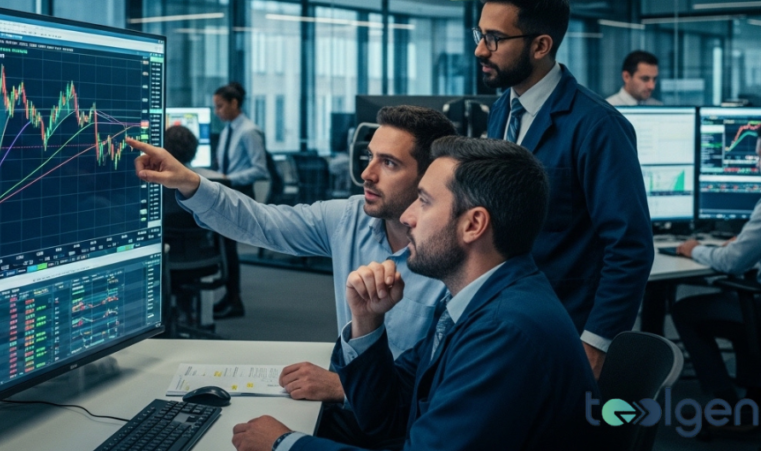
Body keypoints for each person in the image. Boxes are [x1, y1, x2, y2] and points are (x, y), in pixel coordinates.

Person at [229, 137, 598, 451]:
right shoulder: (473, 302)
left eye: (423, 201)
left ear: (473, 225)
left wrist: (286, 445)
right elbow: (387, 416)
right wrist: (368, 322)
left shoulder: (504, 331)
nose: (406, 217)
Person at [128, 105, 456, 404]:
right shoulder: (348, 218)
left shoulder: (455, 256)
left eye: (389, 163)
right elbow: (261, 222)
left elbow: (445, 383)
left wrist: (344, 386)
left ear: (429, 177)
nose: (367, 174)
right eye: (368, 157)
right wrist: (189, 182)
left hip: (402, 425)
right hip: (354, 406)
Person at [478, 0, 653, 378]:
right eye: (480, 34)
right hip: (505, 319)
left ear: (541, 45)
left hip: (563, 328)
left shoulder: (598, 126)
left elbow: (630, 246)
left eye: (494, 38)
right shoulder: (504, 110)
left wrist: (596, 341)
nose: (480, 49)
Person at [672, 119, 761, 406]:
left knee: (686, 311)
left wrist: (695, 248)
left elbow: (732, 262)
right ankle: (755, 395)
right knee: (737, 299)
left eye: (759, 156)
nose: (758, 164)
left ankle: (726, 404)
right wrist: (746, 241)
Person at [210, 82, 269, 319]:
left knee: (229, 249)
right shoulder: (228, 130)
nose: (217, 112)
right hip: (226, 191)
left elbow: (260, 169)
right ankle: (230, 296)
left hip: (240, 192)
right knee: (225, 248)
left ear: (235, 103)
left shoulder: (249, 131)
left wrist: (228, 177)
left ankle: (235, 300)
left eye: (220, 106)